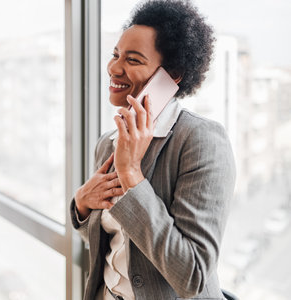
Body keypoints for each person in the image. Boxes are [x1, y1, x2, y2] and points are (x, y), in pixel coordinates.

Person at [70, 0, 236, 299]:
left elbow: (192, 276)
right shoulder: (108, 142)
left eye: (132, 60)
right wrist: (82, 205)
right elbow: (115, 238)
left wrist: (132, 175)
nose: (114, 68)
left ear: (172, 75)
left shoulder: (200, 140)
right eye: (115, 54)